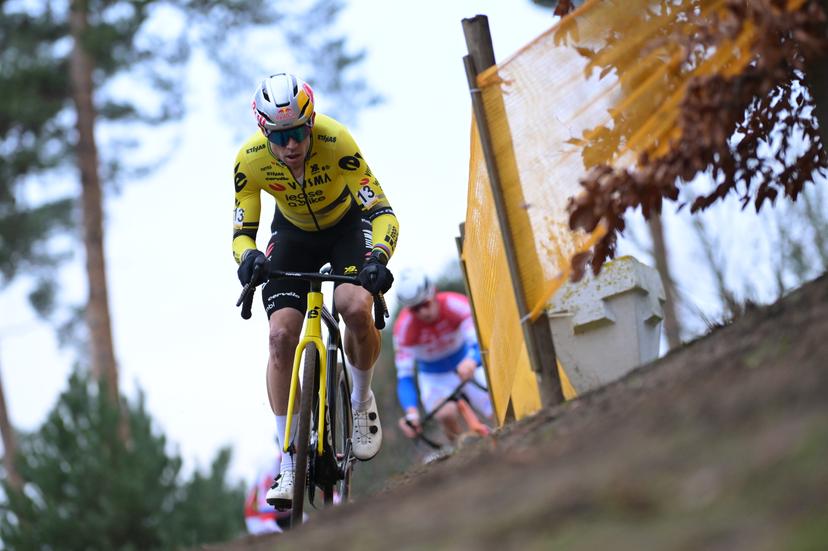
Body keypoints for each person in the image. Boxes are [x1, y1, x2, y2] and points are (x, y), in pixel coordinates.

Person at [232, 73, 398, 509]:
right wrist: (247, 257)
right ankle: (288, 457)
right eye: (280, 136)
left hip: (346, 227)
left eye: (299, 132)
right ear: (265, 133)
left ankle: (361, 402)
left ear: (312, 123)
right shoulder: (248, 161)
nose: (291, 145)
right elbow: (241, 233)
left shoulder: (337, 139)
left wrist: (378, 257)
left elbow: (380, 209)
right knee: (280, 337)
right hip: (293, 236)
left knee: (353, 306)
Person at [393, 272, 493, 445]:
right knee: (445, 413)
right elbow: (405, 378)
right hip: (434, 378)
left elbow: (481, 340)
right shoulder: (403, 328)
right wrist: (411, 414)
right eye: (415, 309)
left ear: (433, 293)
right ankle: (461, 450)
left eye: (425, 304)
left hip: (466, 363)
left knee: (500, 408)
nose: (422, 312)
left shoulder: (456, 304)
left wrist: (473, 360)